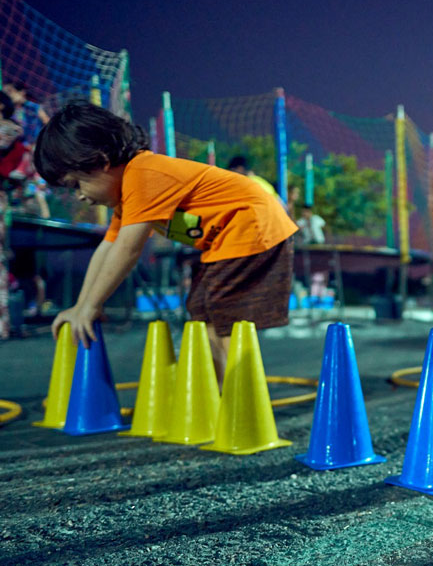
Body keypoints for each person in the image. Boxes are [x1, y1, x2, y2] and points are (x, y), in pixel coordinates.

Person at [35, 102, 298, 382]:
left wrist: (89, 306)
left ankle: (240, 399)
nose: (80, 197)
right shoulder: (127, 196)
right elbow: (108, 247)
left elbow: (126, 250)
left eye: (77, 184)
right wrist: (84, 304)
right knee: (202, 310)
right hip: (227, 241)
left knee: (226, 315)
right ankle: (218, 391)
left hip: (252, 228)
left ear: (101, 161)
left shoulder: (143, 174)